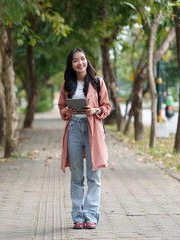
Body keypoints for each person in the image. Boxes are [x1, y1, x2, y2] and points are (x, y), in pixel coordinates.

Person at [58, 48, 111, 229]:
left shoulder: (97, 83)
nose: (80, 63)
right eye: (75, 60)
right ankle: (78, 217)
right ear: (71, 64)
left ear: (87, 61)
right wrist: (67, 111)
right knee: (77, 177)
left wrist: (95, 110)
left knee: (94, 175)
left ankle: (91, 216)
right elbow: (61, 108)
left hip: (93, 130)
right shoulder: (66, 85)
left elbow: (107, 107)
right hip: (74, 129)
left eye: (82, 59)